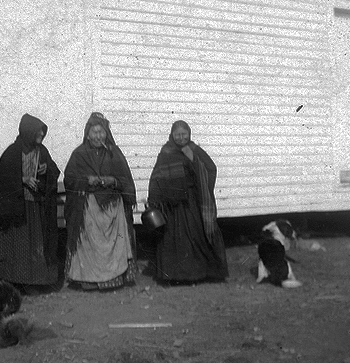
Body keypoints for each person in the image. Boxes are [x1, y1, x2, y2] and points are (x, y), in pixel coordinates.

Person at [147, 120, 228, 283]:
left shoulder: (194, 150)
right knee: (172, 240)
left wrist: (194, 161)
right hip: (171, 205)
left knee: (195, 237)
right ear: (172, 135)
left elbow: (210, 169)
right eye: (177, 134)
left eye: (184, 134)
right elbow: (156, 175)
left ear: (189, 134)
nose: (181, 137)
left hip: (191, 202)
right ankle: (175, 275)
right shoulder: (166, 151)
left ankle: (198, 274)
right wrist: (154, 197)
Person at [64, 112, 138, 290]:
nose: (98, 136)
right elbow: (69, 179)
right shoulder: (79, 154)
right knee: (90, 246)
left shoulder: (114, 153)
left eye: (101, 132)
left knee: (115, 244)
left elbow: (126, 179)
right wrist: (86, 181)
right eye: (94, 132)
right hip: (89, 207)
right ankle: (89, 280)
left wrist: (113, 181)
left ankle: (114, 278)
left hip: (113, 207)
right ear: (87, 134)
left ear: (107, 133)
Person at [0, 114, 61, 294]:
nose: (41, 136)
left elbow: (53, 170)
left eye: (42, 134)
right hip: (17, 209)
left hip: (36, 207)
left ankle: (34, 281)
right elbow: (2, 179)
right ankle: (16, 281)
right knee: (18, 247)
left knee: (35, 247)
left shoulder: (42, 151)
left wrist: (47, 170)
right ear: (28, 132)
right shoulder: (12, 152)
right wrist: (23, 179)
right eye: (38, 133)